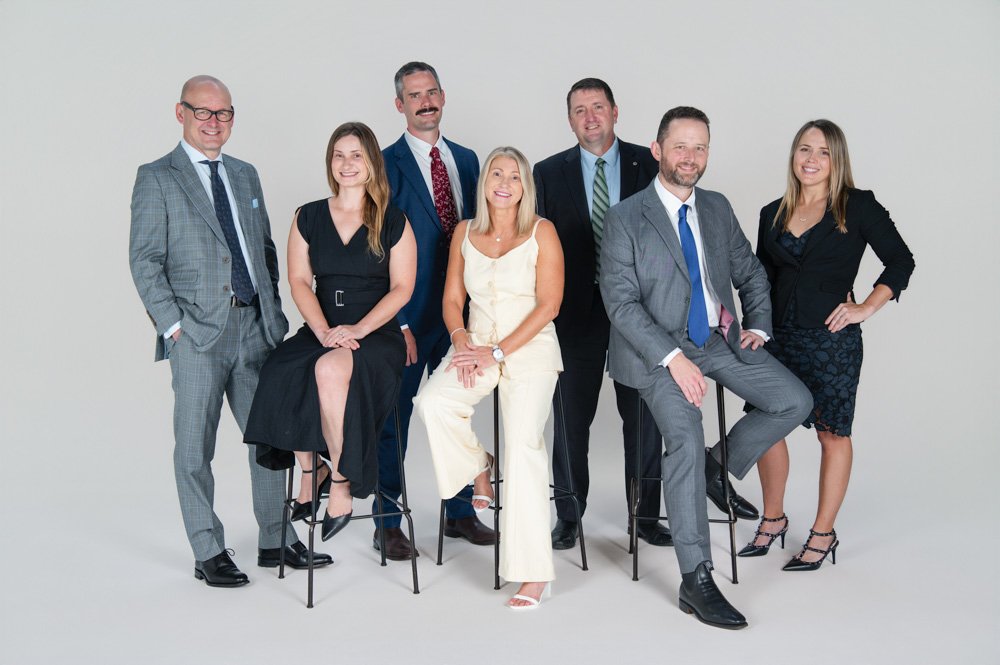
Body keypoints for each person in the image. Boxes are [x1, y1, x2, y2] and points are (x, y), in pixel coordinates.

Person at [600, 106, 812, 628]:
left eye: (700, 148)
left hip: (715, 339)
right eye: (680, 147)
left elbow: (750, 270)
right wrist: (672, 359)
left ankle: (721, 469)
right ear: (657, 151)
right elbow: (621, 304)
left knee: (794, 401)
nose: (690, 157)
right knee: (686, 438)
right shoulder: (626, 217)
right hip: (654, 351)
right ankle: (697, 579)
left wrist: (757, 325)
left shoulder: (716, 207)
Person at [534, 79, 759, 552]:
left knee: (645, 418)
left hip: (646, 316)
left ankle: (646, 514)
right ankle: (569, 515)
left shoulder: (649, 162)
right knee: (570, 418)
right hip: (574, 314)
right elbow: (538, 242)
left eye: (599, 107)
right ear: (570, 119)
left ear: (616, 112)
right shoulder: (547, 173)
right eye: (580, 110)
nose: (590, 116)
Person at [129, 75, 329, 587]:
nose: (215, 123)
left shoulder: (244, 174)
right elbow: (145, 261)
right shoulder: (157, 177)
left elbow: (261, 248)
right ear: (181, 113)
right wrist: (174, 329)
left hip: (256, 328)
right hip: (196, 335)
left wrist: (272, 314)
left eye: (224, 114)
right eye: (204, 113)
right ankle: (207, 548)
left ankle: (274, 539)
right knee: (194, 447)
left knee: (269, 438)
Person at [739, 119, 914, 570]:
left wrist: (866, 307)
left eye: (822, 152)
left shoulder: (856, 207)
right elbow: (761, 279)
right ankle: (772, 519)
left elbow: (901, 260)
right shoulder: (771, 212)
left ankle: (822, 532)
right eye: (803, 150)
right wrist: (754, 327)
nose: (811, 160)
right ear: (793, 156)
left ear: (837, 160)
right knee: (767, 425)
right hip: (777, 339)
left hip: (830, 344)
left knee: (831, 433)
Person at [244, 122, 417, 545]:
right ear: (330, 162)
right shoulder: (308, 216)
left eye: (356, 155)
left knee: (328, 372)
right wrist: (323, 331)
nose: (347, 164)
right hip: (322, 327)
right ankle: (310, 471)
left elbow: (402, 289)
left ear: (372, 162)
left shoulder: (393, 220)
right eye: (339, 155)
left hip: (374, 332)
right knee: (281, 369)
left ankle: (339, 479)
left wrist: (356, 328)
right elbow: (299, 281)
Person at [414, 147, 564, 609]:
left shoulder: (543, 232)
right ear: (484, 183)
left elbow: (549, 305)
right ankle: (480, 466)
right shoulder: (464, 232)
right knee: (433, 403)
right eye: (496, 173)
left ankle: (532, 573)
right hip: (476, 345)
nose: (504, 182)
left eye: (514, 176)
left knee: (523, 447)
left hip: (529, 349)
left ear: (525, 187)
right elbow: (451, 298)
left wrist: (500, 350)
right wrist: (461, 341)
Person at [379, 61, 495, 560]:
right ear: (399, 104)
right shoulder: (382, 164)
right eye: (413, 94)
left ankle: (461, 512)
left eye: (431, 92)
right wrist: (398, 320)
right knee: (396, 417)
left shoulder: (469, 161)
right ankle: (387, 520)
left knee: (456, 410)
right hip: (408, 315)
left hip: (462, 317)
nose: (424, 101)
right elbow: (376, 243)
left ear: (443, 97)